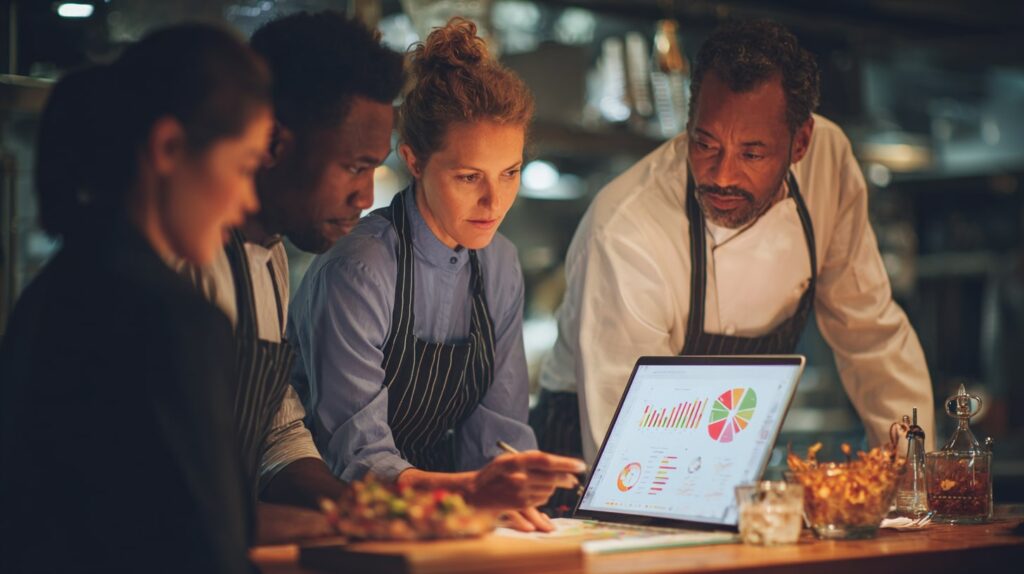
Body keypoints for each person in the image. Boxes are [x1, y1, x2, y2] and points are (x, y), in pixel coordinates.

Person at [535, 20, 935, 470]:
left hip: (721, 450)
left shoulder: (829, 165)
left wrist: (913, 479)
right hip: (589, 459)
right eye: (705, 144)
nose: (723, 176)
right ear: (688, 125)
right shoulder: (627, 228)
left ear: (800, 142)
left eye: (752, 153)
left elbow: (871, 337)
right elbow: (628, 453)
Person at [288, 18, 584, 533]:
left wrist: (511, 494)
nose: (495, 202)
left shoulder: (499, 264)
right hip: (341, 522)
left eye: (509, 173)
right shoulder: (359, 270)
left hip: (450, 517)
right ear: (414, 162)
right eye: (469, 177)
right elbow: (359, 457)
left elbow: (500, 433)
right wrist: (467, 496)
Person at [0, 24, 271, 573]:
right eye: (243, 167)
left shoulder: (45, 295)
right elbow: (209, 551)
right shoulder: (174, 320)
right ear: (168, 147)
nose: (246, 202)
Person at [180, 11, 405, 513]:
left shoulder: (274, 255)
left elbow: (276, 435)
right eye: (353, 166)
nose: (365, 197)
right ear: (275, 144)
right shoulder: (183, 262)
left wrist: (365, 512)